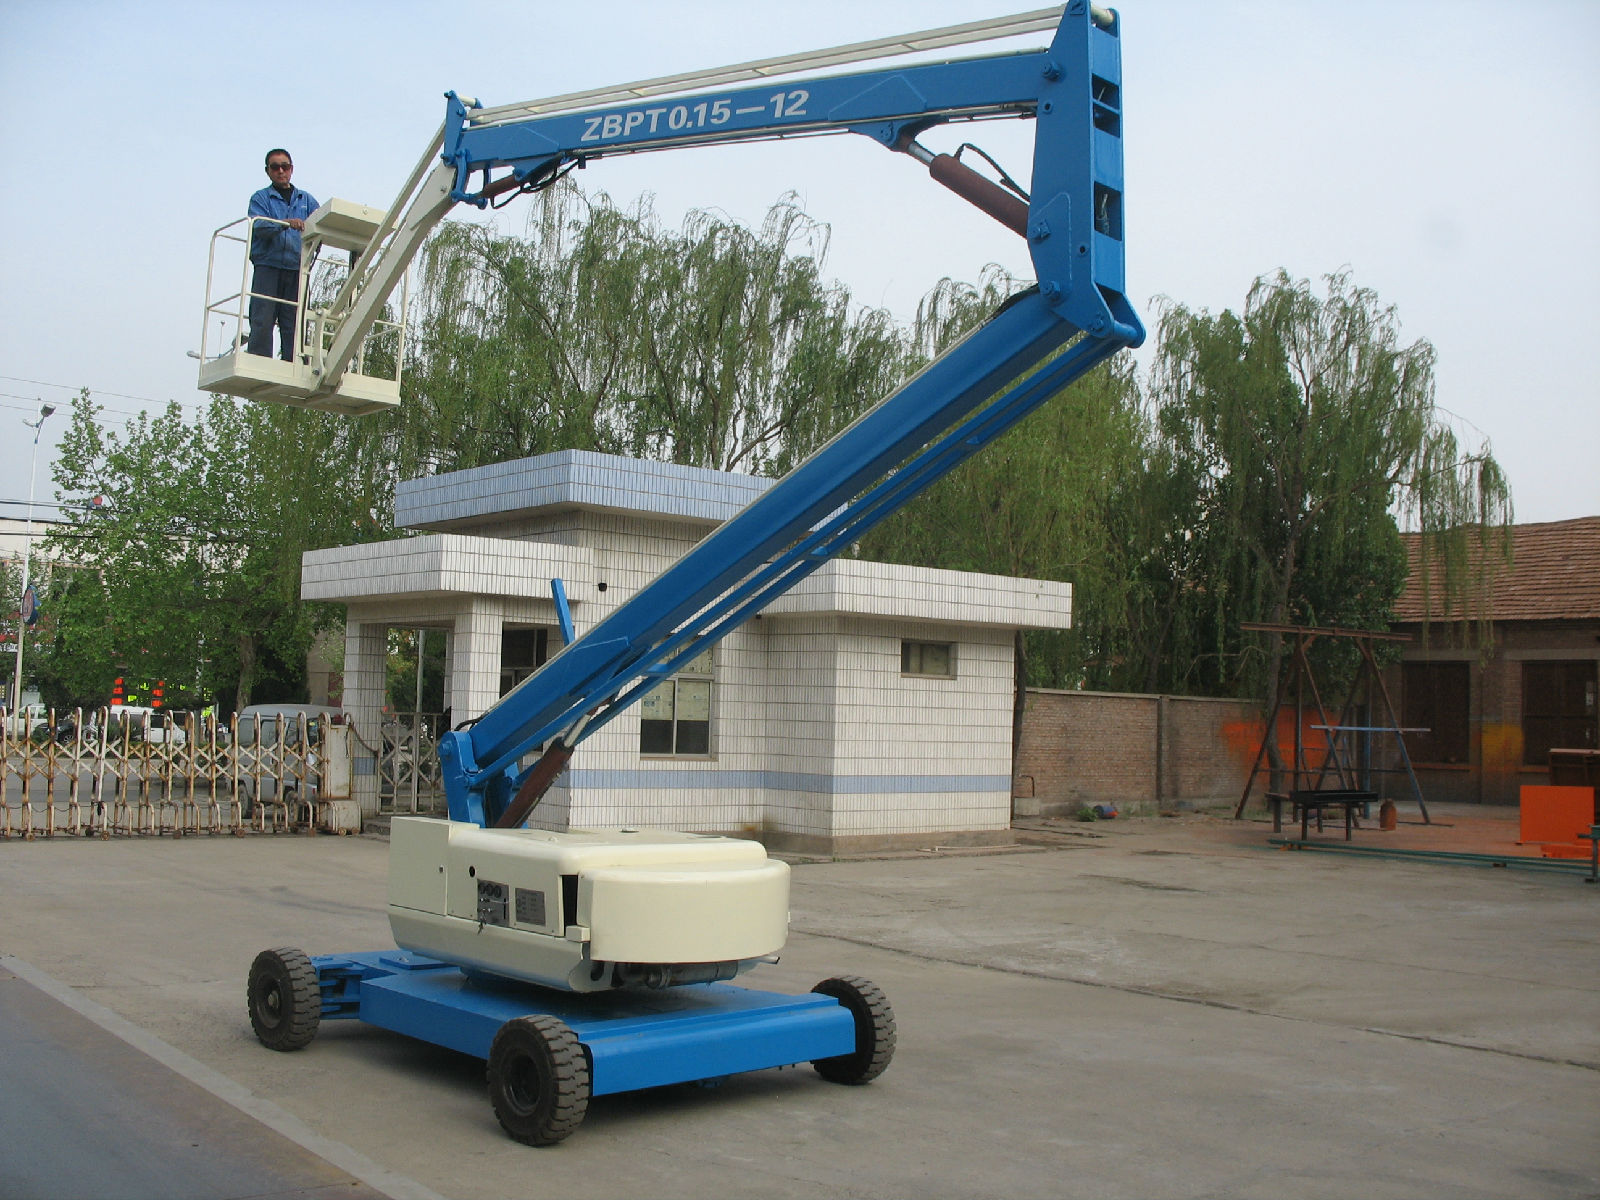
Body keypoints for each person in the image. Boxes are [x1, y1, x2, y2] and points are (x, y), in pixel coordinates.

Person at [246, 149, 319, 360]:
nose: (280, 171)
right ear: (267, 171)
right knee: (262, 319)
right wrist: (285, 224)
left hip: (296, 268)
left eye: (284, 166)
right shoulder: (261, 198)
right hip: (268, 267)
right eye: (275, 167)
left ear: (291, 169)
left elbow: (321, 223)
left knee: (294, 322)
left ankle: (293, 361)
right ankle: (259, 362)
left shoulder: (306, 200)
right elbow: (259, 225)